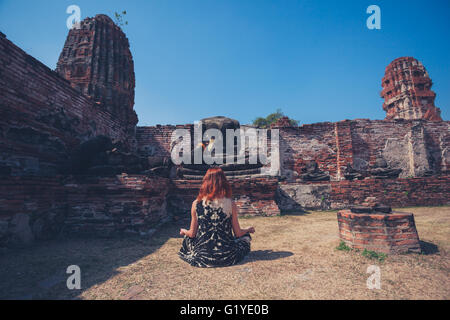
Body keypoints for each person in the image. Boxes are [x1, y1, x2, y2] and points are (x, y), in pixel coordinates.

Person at [178, 168, 255, 268]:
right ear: (223, 182)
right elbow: (238, 233)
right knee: (246, 238)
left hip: (202, 258)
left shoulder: (196, 203)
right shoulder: (230, 203)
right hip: (227, 257)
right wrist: (248, 229)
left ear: (205, 182)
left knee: (187, 238)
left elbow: (192, 234)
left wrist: (184, 231)